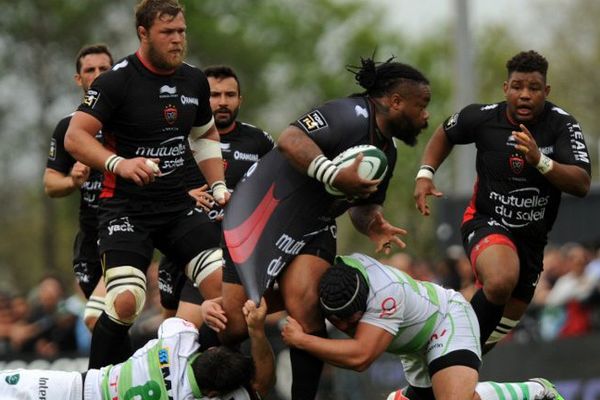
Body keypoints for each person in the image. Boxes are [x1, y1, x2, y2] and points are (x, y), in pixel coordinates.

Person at [221, 56, 431, 399]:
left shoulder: (386, 153)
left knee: (305, 307)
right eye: (422, 106)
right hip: (265, 215)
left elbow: (362, 204)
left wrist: (372, 224)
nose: (426, 116)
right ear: (395, 102)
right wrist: (332, 174)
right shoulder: (348, 115)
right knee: (230, 324)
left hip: (314, 227)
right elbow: (290, 139)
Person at [64, 0, 228, 368]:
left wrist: (218, 186)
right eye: (167, 33)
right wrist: (119, 164)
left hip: (175, 206)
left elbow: (204, 134)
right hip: (125, 208)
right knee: (125, 302)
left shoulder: (194, 79)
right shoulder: (116, 81)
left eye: (181, 32)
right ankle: (99, 385)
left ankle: (215, 381)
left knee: (223, 287)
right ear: (143, 33)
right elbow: (76, 136)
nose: (177, 40)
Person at [413, 50, 591, 353]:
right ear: (505, 88)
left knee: (494, 333)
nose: (525, 95)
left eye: (534, 88)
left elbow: (581, 183)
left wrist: (540, 160)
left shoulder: (562, 125)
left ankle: (431, 377)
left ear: (545, 92)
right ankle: (445, 346)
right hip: (486, 221)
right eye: (518, 86)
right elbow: (446, 132)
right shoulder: (482, 117)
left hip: (532, 241)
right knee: (499, 280)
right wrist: (425, 173)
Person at [281, 252, 565, 400]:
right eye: (336, 319)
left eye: (352, 318)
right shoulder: (336, 278)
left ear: (367, 300)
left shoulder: (385, 294)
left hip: (445, 322)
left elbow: (360, 358)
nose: (344, 325)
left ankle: (534, 391)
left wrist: (302, 340)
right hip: (413, 344)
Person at [160, 64, 274, 327]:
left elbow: (280, 189)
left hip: (233, 256)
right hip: (183, 250)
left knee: (226, 329)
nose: (223, 102)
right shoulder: (179, 136)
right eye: (214, 95)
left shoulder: (259, 141)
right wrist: (182, 194)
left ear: (239, 99)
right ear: (201, 97)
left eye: (230, 95)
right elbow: (151, 183)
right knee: (170, 333)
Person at [0, 297, 274, 400]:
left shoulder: (178, 341)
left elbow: (185, 311)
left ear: (210, 352)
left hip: (76, 387)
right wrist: (259, 334)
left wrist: (208, 305)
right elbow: (262, 384)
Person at [43, 44, 114, 332]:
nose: (97, 75)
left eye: (104, 69)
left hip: (125, 231)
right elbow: (50, 184)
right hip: (88, 236)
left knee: (100, 315)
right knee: (102, 324)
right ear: (79, 79)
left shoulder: (131, 120)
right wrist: (72, 180)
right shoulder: (68, 128)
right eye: (90, 70)